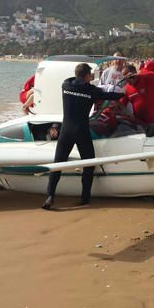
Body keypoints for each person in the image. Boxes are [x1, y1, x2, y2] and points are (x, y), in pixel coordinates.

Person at [42, 63, 124, 210]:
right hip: (82, 131)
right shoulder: (91, 90)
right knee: (88, 165)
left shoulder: (66, 85)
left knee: (57, 165)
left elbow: (73, 80)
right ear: (87, 75)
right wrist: (125, 91)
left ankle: (50, 197)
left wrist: (82, 78)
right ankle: (85, 198)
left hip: (65, 131)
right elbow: (113, 95)